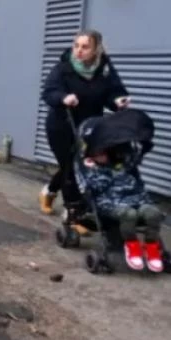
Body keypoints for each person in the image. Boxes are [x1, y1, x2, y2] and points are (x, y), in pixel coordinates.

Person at [40, 30, 130, 230]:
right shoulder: (64, 67)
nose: (79, 51)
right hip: (62, 125)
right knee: (71, 167)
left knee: (80, 166)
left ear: (96, 49)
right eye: (76, 46)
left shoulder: (104, 68)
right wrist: (64, 98)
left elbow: (113, 92)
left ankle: (49, 190)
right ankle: (74, 214)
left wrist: (118, 101)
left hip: (89, 126)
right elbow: (49, 92)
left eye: (85, 47)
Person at [81, 146, 165, 272]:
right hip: (111, 203)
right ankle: (132, 245)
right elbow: (94, 188)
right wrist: (102, 171)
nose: (101, 155)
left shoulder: (124, 166)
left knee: (153, 213)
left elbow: (137, 183)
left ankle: (151, 245)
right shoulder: (92, 170)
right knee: (129, 214)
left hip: (136, 199)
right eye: (97, 154)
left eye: (103, 153)